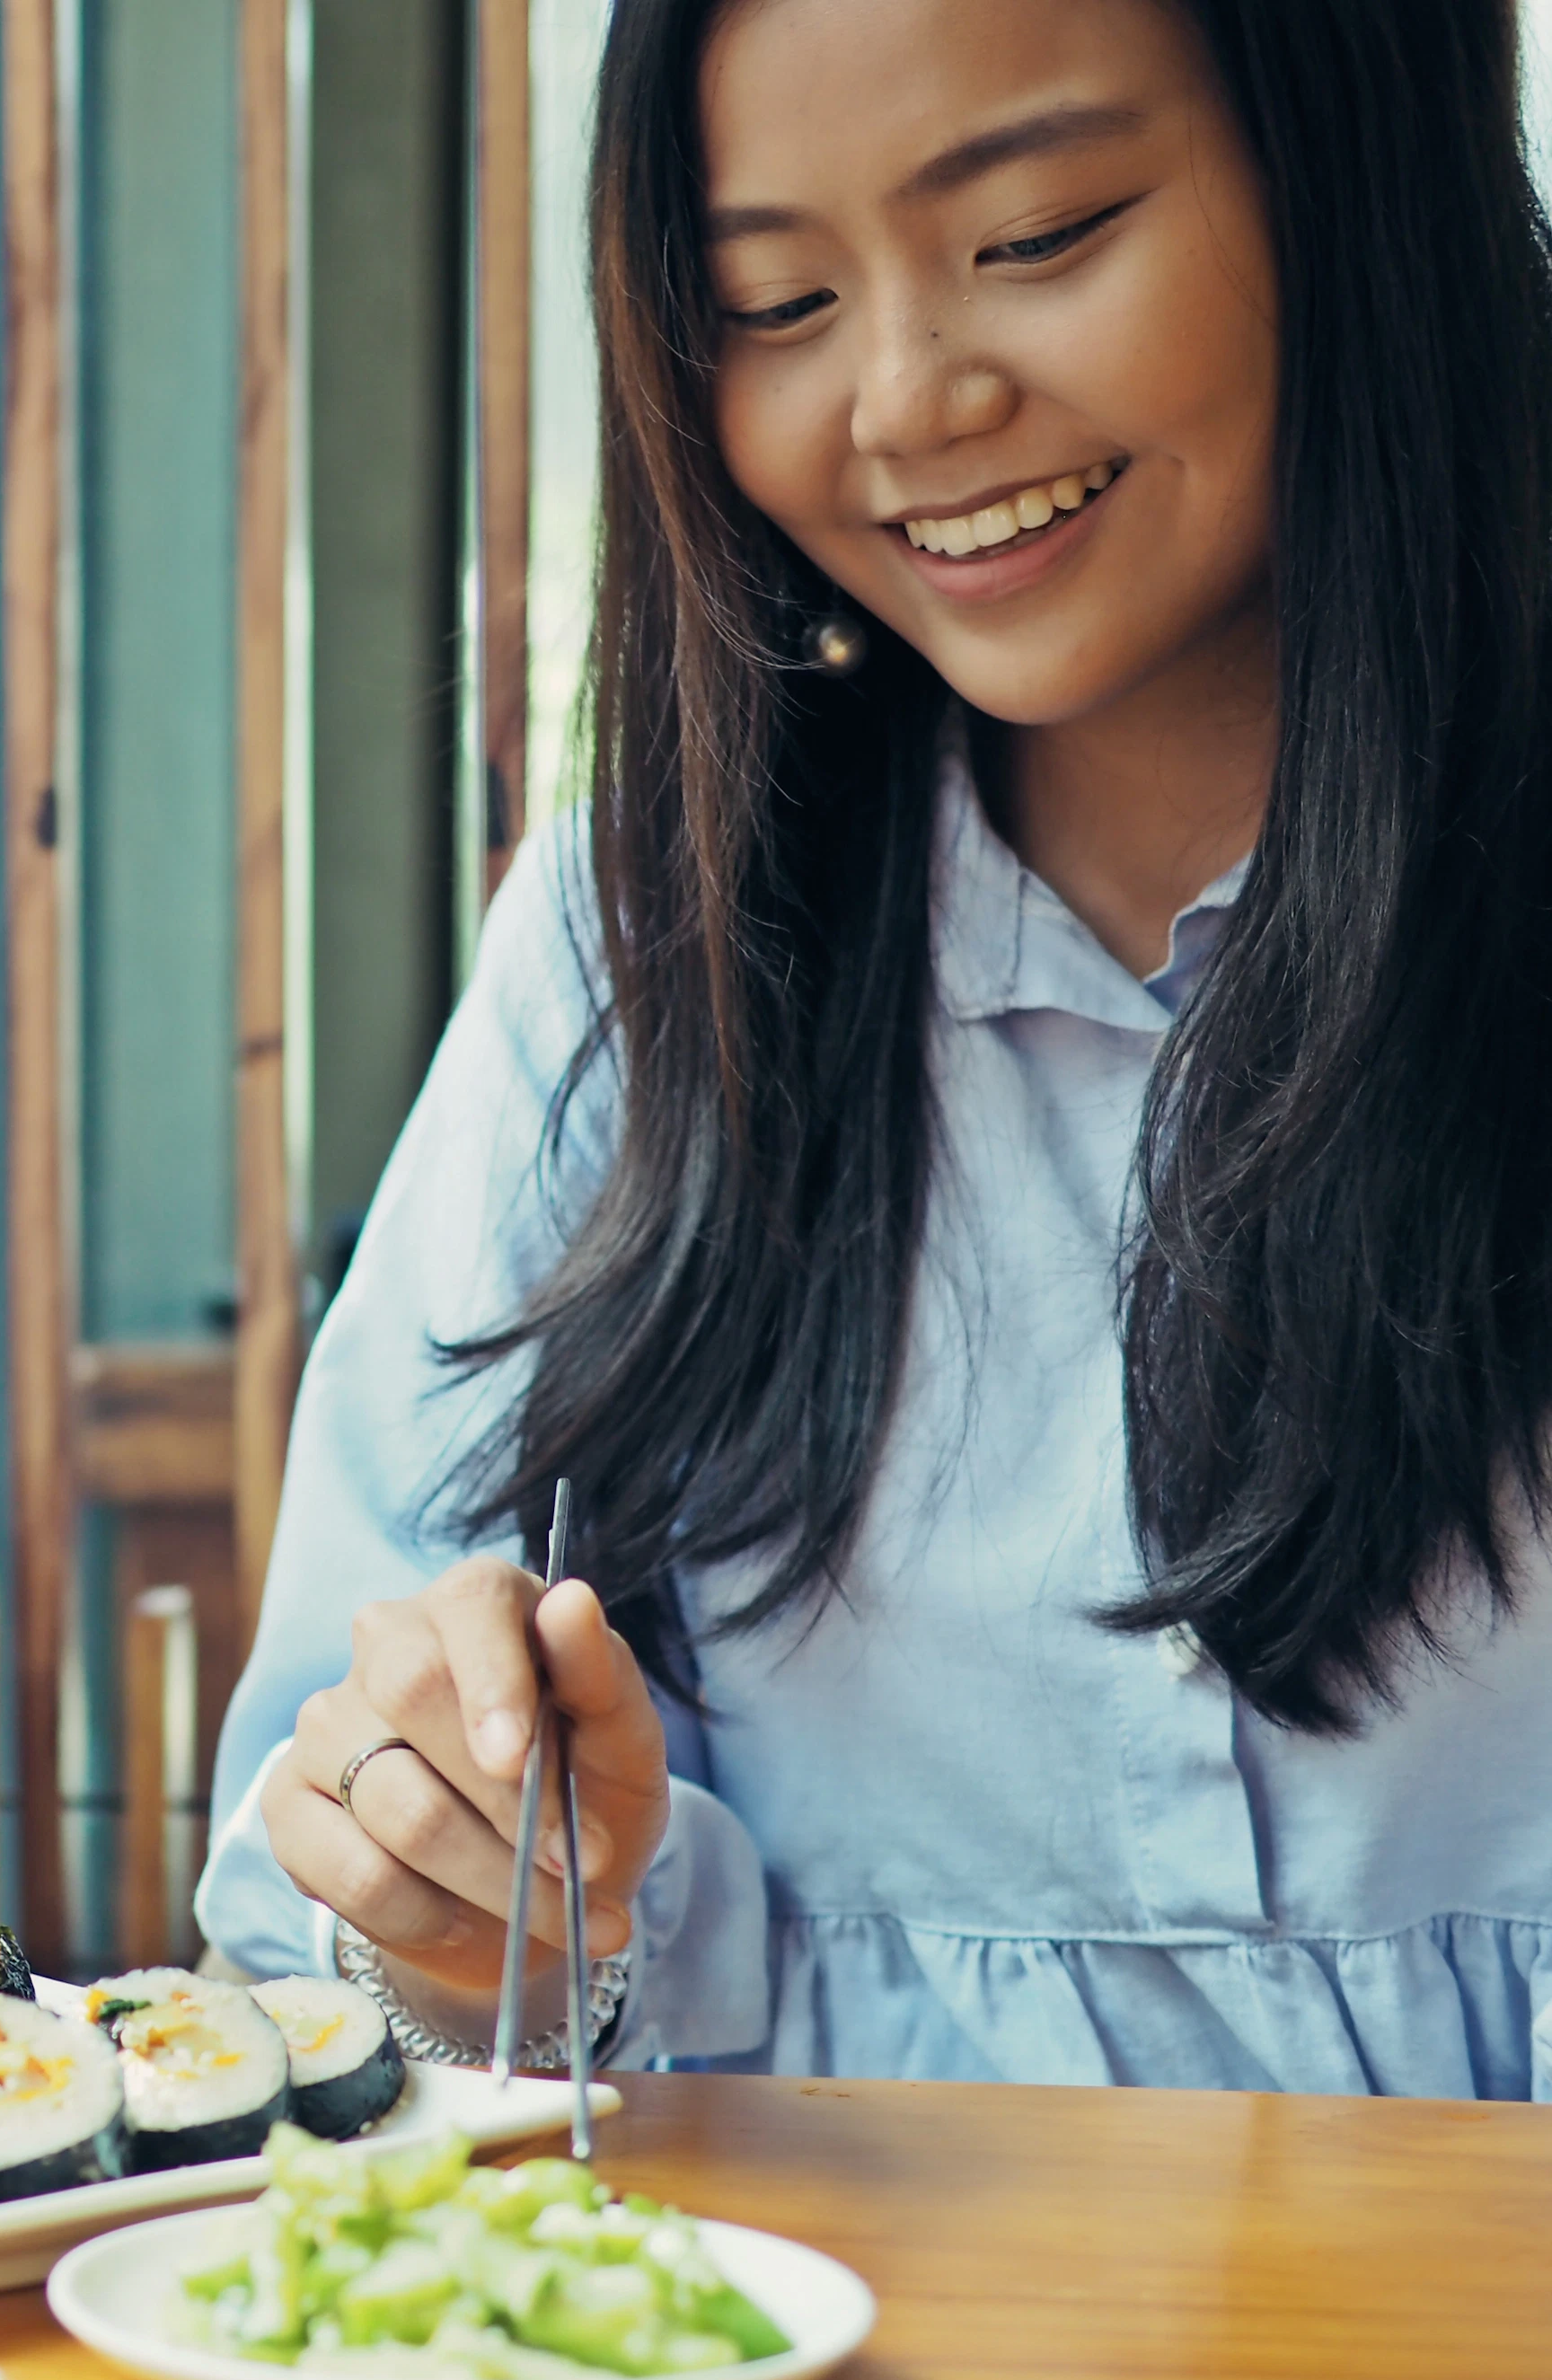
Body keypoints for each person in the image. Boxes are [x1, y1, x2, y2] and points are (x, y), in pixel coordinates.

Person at [202, 0, 1552, 2094]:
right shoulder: (648, 945)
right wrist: (466, 1898)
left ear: (1356, 176)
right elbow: (314, 1924)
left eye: (1039, 232)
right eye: (777, 301)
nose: (909, 402)